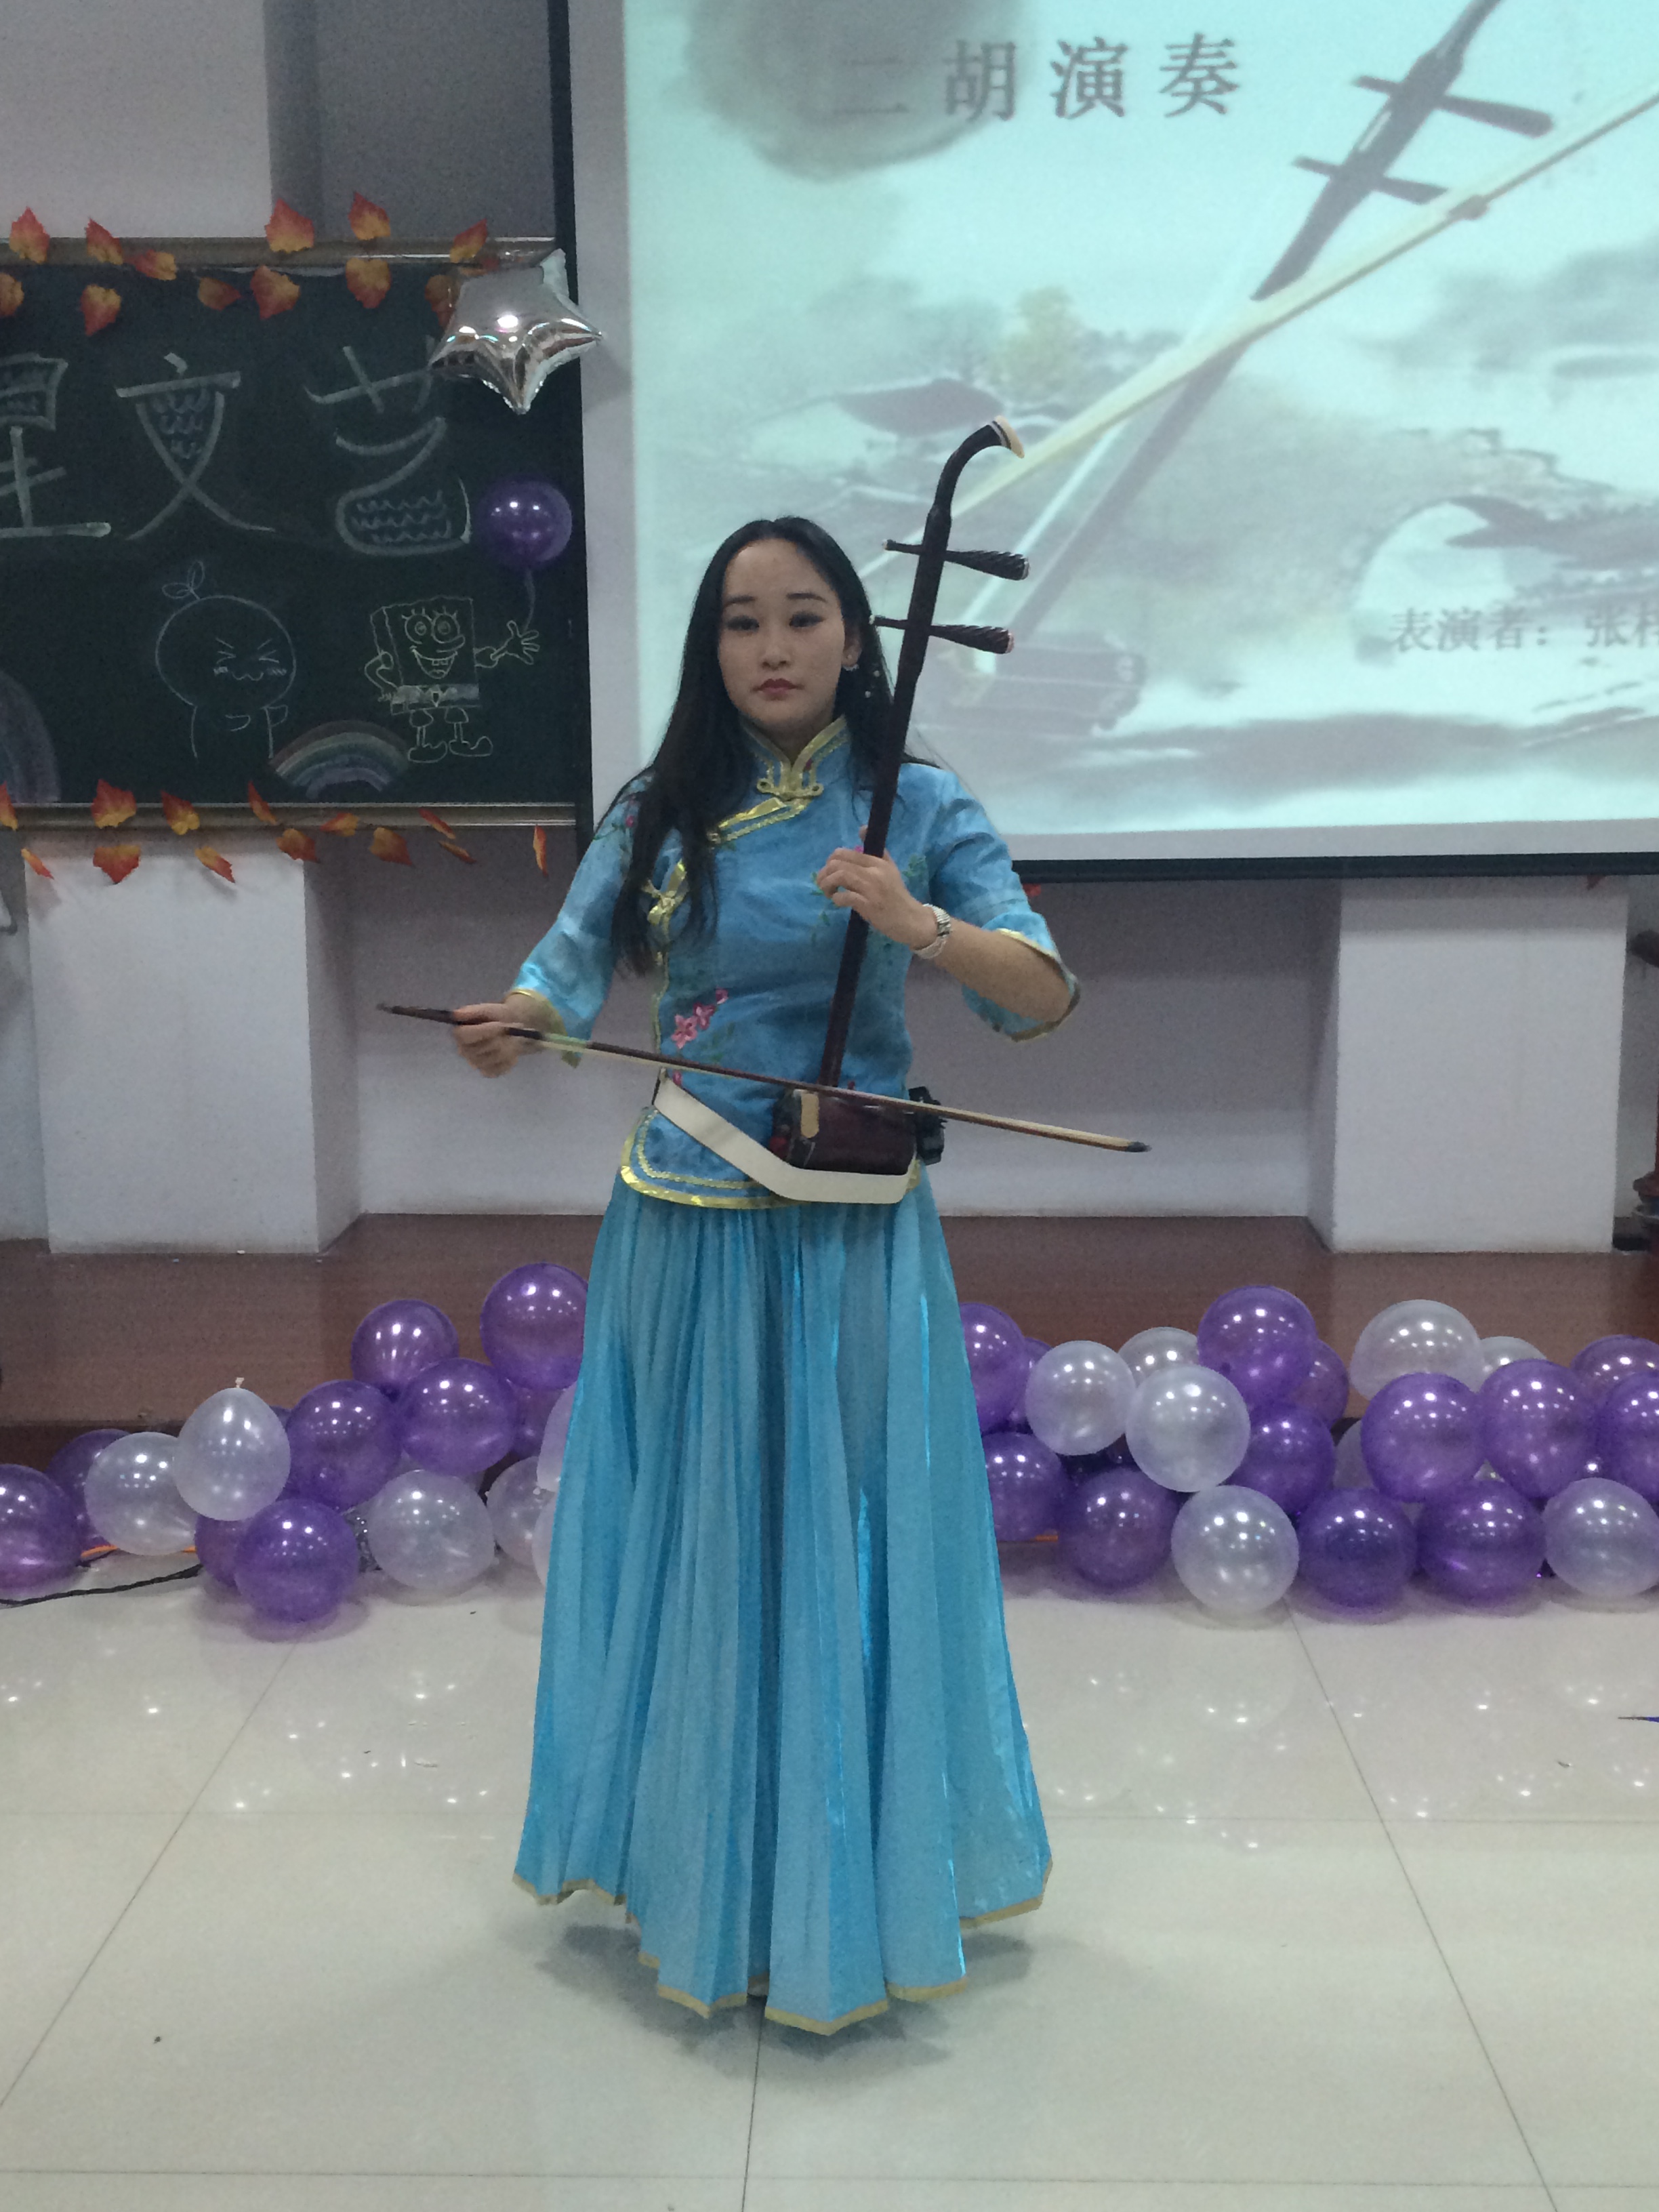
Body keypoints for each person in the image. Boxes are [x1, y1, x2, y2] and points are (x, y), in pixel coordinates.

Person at [455, 516, 1078, 2034]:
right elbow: (566, 963)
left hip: (851, 1220)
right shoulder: (663, 801)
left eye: (804, 617)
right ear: (710, 647)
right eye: (742, 622)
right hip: (688, 1209)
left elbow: (1041, 995)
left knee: (845, 1525)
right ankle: (697, 1873)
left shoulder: (918, 802)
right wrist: (524, 1018)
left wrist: (918, 924)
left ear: (857, 639)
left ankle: (843, 1881)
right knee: (702, 1533)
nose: (774, 647)